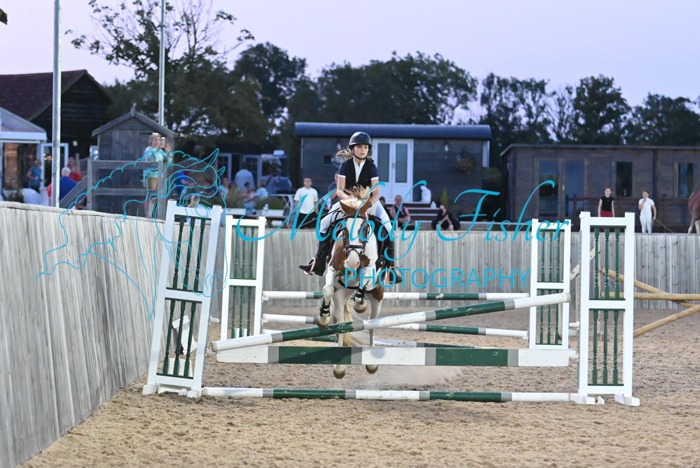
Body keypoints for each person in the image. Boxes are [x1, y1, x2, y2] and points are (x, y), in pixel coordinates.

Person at [299, 131, 401, 284]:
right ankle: (319, 261)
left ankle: (391, 267)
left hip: (369, 203)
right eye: (359, 147)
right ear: (353, 149)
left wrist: (365, 205)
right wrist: (351, 202)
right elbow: (339, 190)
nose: (363, 150)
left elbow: (376, 194)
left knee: (389, 228)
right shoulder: (345, 166)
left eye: (366, 147)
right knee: (324, 223)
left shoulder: (371, 166)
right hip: (348, 203)